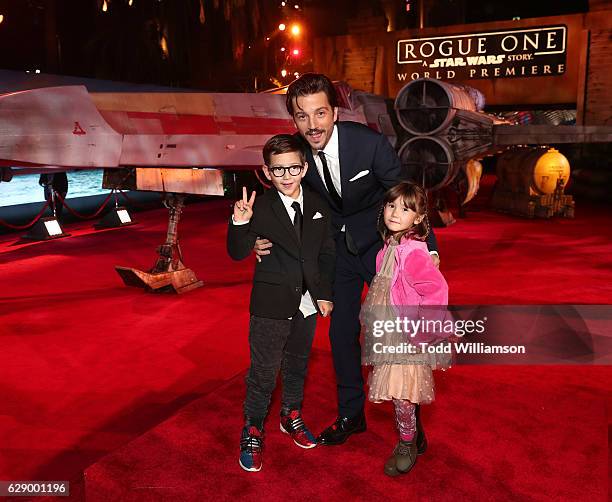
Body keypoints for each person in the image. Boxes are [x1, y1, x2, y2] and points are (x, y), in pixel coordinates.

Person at [254, 73, 439, 446]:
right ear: (293, 118)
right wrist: (259, 236)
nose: (312, 125)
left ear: (334, 112)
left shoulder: (369, 145)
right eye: (302, 116)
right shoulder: (297, 154)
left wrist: (428, 246)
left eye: (319, 114)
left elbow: (404, 194)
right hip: (335, 255)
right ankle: (352, 415)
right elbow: (281, 194)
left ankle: (410, 425)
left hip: (380, 246)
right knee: (341, 336)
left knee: (398, 332)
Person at [227, 134, 335, 472]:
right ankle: (253, 428)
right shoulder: (258, 207)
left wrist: (325, 293)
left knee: (298, 365)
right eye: (278, 170)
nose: (286, 176)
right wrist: (241, 221)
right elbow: (236, 252)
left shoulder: (318, 204)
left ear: (304, 167)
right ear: (266, 172)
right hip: (270, 303)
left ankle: (291, 415)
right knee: (262, 373)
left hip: (307, 305)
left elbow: (327, 253)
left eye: (293, 168)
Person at [360, 181, 452, 476]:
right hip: (388, 332)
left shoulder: (413, 252)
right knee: (398, 392)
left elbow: (436, 291)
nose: (395, 213)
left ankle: (407, 442)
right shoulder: (387, 248)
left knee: (401, 393)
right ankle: (411, 438)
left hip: (408, 336)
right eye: (391, 205)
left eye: (405, 209)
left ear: (419, 218)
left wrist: (422, 333)